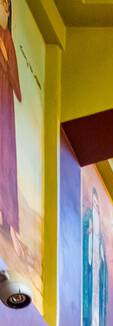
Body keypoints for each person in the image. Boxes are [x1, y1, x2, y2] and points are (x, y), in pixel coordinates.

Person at [0, 0, 21, 250]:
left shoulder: (8, 39)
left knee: (7, 156)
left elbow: (16, 86)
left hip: (6, 108)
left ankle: (9, 219)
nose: (3, 9)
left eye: (5, 6)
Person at [82, 186, 107, 326]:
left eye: (98, 203)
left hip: (98, 283)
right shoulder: (89, 219)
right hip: (92, 281)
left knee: (97, 325)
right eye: (95, 201)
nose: (96, 205)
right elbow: (87, 251)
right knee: (90, 322)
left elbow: (102, 260)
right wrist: (89, 235)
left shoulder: (100, 231)